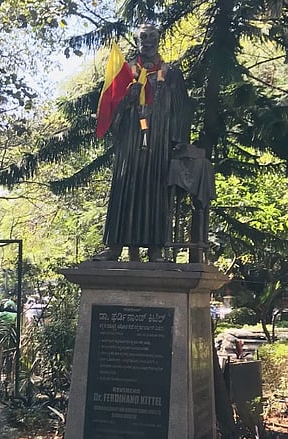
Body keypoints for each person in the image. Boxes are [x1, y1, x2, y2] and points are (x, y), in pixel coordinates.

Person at [92, 24, 192, 262]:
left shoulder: (172, 74)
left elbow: (182, 109)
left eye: (152, 37)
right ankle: (115, 247)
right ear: (137, 41)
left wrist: (178, 140)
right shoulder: (125, 72)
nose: (147, 41)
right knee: (124, 189)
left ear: (159, 40)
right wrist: (128, 97)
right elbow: (111, 109)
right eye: (143, 37)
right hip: (130, 140)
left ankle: (155, 249)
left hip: (158, 140)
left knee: (154, 192)